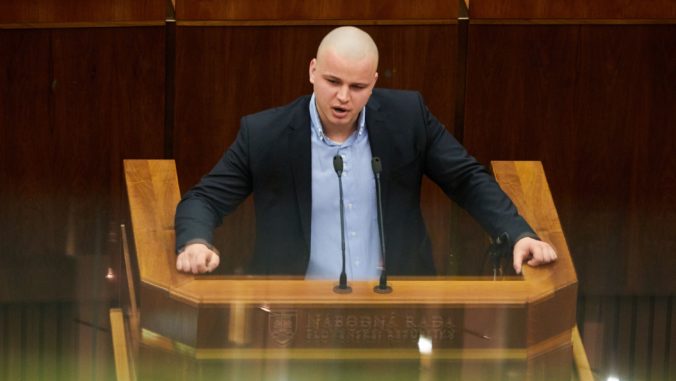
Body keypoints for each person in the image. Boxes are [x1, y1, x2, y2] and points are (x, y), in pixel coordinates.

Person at [175, 26, 557, 277]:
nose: (343, 97)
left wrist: (517, 233)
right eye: (332, 81)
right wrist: (195, 243)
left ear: (373, 82)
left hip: (393, 309)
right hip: (297, 314)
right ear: (312, 71)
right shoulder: (266, 134)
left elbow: (467, 179)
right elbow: (203, 199)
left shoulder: (408, 118)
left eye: (357, 86)